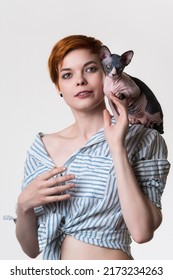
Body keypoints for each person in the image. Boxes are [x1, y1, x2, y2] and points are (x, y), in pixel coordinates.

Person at [15, 35, 170, 260]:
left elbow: (142, 231)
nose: (80, 81)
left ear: (106, 73)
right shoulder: (41, 151)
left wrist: (117, 147)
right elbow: (31, 250)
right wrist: (24, 206)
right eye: (67, 75)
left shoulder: (143, 138)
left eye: (90, 69)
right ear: (58, 86)